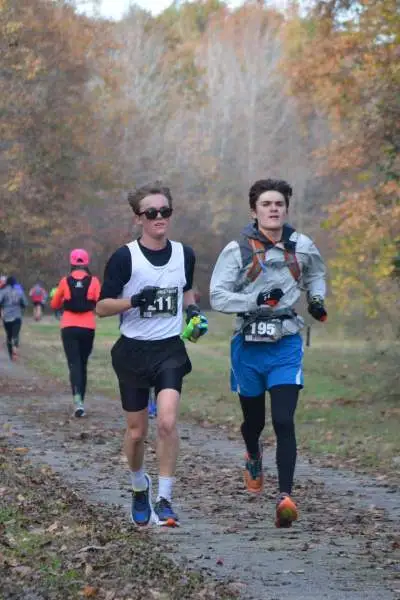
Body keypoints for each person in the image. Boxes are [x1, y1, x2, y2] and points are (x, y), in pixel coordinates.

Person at [210, 178, 327, 528]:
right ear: (254, 211)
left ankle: (285, 497)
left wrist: (316, 299)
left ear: (286, 209)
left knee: (284, 420)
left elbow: (317, 275)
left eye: (279, 203)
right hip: (247, 344)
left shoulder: (302, 246)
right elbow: (217, 296)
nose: (273, 208)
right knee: (254, 422)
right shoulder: (237, 250)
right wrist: (253, 300)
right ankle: (253, 453)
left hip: (286, 341)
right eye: (266, 204)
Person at [96, 182, 208, 528]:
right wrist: (134, 301)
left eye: (165, 211)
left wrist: (193, 313)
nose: (160, 218)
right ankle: (138, 486)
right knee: (135, 432)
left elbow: (186, 290)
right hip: (132, 351)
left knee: (167, 421)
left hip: (169, 349)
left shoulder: (184, 254)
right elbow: (101, 306)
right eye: (152, 213)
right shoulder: (124, 257)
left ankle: (165, 498)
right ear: (138, 218)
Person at [50, 250, 101, 417]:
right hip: (88, 327)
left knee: (74, 363)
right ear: (87, 262)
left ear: (71, 262)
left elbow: (55, 304)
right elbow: (100, 303)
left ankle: (77, 399)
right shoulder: (94, 281)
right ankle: (81, 401)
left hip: (69, 327)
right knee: (83, 363)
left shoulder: (65, 281)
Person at [0, 276, 28, 360]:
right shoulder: (19, 290)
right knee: (15, 334)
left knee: (9, 335)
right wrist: (21, 306)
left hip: (7, 317)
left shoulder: (3, 290)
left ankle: (10, 354)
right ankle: (15, 347)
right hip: (17, 316)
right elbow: (25, 303)